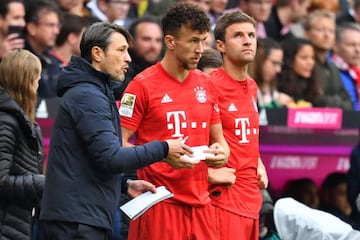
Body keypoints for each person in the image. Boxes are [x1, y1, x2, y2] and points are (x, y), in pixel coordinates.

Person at [39, 21, 194, 239]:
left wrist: (125, 184)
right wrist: (164, 148)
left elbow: (91, 158)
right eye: (121, 50)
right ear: (97, 54)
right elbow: (110, 157)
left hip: (81, 217)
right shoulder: (87, 95)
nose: (128, 58)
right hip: (76, 222)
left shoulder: (94, 92)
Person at [120, 3, 229, 239]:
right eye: (192, 41)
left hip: (201, 206)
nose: (200, 49)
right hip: (159, 204)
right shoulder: (141, 85)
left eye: (203, 40)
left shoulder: (207, 84)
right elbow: (119, 145)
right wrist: (161, 153)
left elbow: (220, 143)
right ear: (170, 42)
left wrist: (221, 153)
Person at [209, 11, 268, 239]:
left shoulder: (252, 86)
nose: (247, 41)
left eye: (251, 35)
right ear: (221, 45)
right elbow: (191, 136)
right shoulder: (209, 85)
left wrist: (259, 162)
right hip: (223, 200)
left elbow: (246, 135)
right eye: (238, 35)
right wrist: (207, 173)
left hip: (251, 198)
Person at [0, 49, 44, 240]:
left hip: (18, 223)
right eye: (37, 78)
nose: (39, 83)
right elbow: (1, 181)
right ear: (27, 82)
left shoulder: (23, 120)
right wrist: (42, 182)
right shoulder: (6, 122)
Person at [248, 38, 284, 109]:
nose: (278, 70)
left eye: (280, 64)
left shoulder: (273, 85)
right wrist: (275, 104)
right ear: (260, 61)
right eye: (274, 63)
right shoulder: (246, 85)